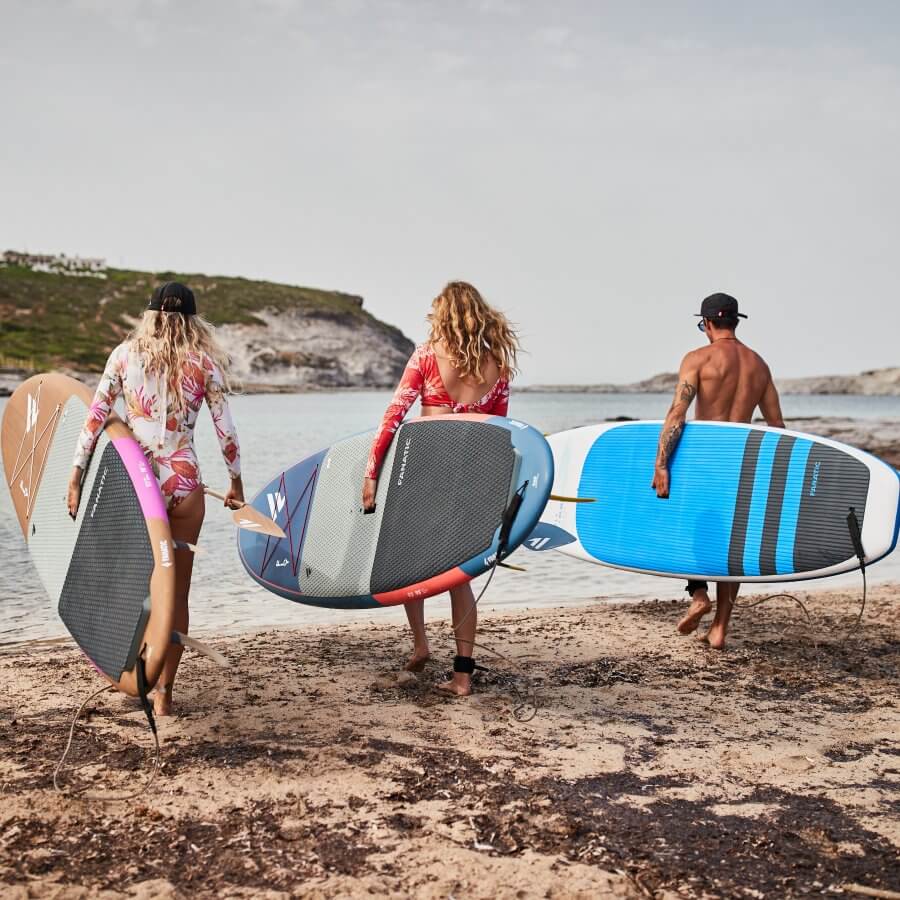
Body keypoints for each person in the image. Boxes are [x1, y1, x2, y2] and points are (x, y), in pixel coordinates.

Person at [66, 282, 243, 715]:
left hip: (137, 485)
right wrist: (236, 483)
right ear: (194, 320)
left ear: (150, 316)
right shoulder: (205, 364)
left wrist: (76, 475)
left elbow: (96, 417)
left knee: (131, 584)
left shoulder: (125, 356)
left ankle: (132, 671)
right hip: (184, 484)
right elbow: (227, 433)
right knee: (176, 594)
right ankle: (164, 692)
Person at [362, 281, 519, 696]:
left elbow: (394, 414)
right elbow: (498, 433)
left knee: (406, 562)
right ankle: (462, 674)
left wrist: (371, 471)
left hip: (427, 475)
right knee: (459, 575)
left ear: (442, 314)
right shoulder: (496, 367)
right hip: (471, 481)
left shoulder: (428, 356)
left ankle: (420, 643)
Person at [652, 292, 785, 650]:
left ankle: (697, 593)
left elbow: (677, 413)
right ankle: (720, 628)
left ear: (707, 324)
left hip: (703, 459)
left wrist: (661, 463)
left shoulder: (698, 359)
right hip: (740, 465)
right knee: (731, 546)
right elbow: (776, 426)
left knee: (689, 530)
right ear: (736, 322)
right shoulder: (759, 365)